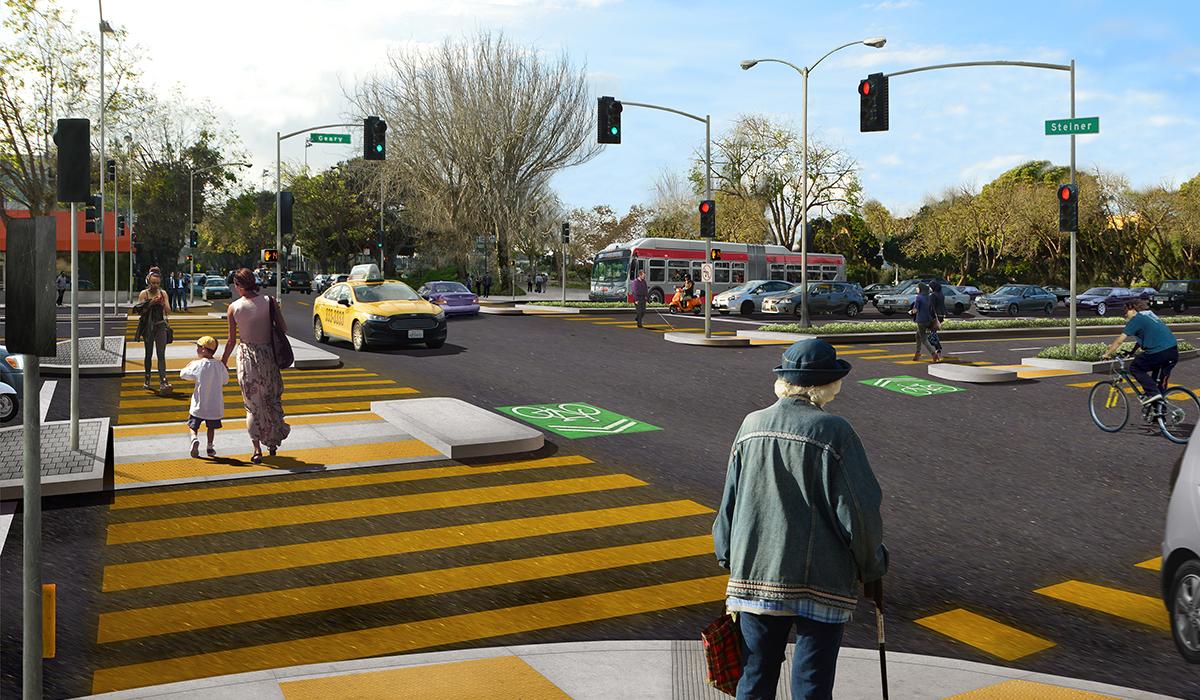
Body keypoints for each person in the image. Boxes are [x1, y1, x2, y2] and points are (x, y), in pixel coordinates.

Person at [713, 339, 887, 699]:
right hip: (821, 580)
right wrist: (872, 566)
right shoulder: (834, 432)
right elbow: (858, 511)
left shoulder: (751, 425)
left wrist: (728, 553)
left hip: (756, 574)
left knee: (755, 677)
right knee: (812, 683)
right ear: (828, 384)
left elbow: (730, 499)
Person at [221, 268, 290, 463]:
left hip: (246, 359)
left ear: (239, 285)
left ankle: (256, 449)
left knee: (252, 406)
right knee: (270, 400)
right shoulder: (269, 302)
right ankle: (273, 443)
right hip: (268, 357)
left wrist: (223, 361)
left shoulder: (233, 308)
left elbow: (231, 341)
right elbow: (283, 328)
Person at [1103, 300, 1179, 404]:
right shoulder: (1150, 314)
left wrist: (1107, 354)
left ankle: (1152, 393)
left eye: (1126, 311)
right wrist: (1132, 351)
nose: (1125, 315)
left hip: (1159, 353)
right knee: (1158, 384)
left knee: (1135, 368)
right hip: (1173, 351)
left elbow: (1119, 341)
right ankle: (1159, 414)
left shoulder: (1136, 319)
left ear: (1133, 310)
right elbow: (1146, 335)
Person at [180, 336, 229, 459]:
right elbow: (225, 380)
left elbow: (183, 374)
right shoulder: (219, 365)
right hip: (214, 406)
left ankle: (194, 438)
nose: (196, 349)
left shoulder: (197, 364)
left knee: (193, 425)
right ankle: (210, 447)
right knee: (211, 428)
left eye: (197, 347)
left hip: (199, 405)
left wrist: (188, 365)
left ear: (203, 349)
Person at [135, 271, 172, 393]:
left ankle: (163, 380)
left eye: (157, 283)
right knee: (148, 353)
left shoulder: (163, 293)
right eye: (152, 283)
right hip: (148, 327)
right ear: (148, 282)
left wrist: (162, 302)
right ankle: (147, 378)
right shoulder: (144, 293)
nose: (155, 285)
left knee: (161, 354)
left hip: (160, 325)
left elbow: (168, 310)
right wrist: (151, 303)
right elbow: (140, 311)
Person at [909, 283, 940, 363]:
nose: (917, 289)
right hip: (928, 320)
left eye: (918, 288)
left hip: (921, 320)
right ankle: (918, 353)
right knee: (917, 335)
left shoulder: (918, 298)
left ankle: (933, 354)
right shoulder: (928, 297)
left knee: (924, 339)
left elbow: (915, 310)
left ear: (921, 289)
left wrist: (911, 312)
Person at [928, 281, 948, 357]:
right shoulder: (941, 295)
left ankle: (938, 348)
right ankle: (938, 349)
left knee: (932, 333)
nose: (929, 288)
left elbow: (931, 307)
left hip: (935, 316)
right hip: (941, 316)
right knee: (933, 332)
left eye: (930, 287)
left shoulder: (933, 296)